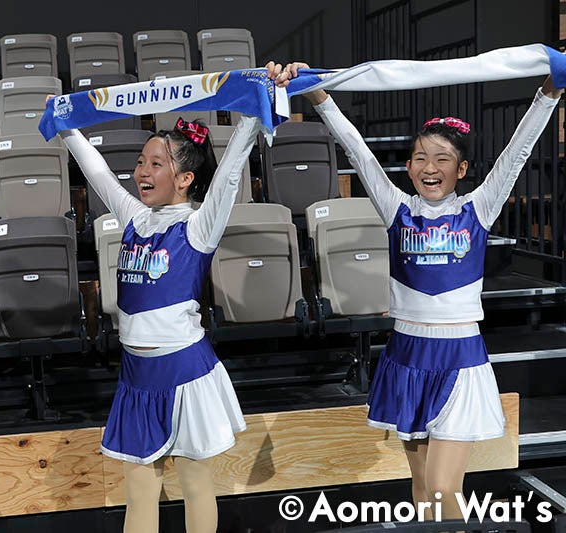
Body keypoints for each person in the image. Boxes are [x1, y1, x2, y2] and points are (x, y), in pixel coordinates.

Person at [271, 60, 563, 519]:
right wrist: (318, 96)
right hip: (406, 355)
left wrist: (550, 91)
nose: (431, 167)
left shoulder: (478, 208)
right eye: (421, 158)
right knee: (423, 487)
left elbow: (518, 151)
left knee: (447, 488)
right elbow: (357, 152)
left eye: (443, 158)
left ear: (461, 169)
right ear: (407, 166)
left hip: (458, 357)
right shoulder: (396, 208)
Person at [48, 76, 272, 530]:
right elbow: (97, 174)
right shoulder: (134, 217)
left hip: (184, 372)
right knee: (139, 493)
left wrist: (253, 113)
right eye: (140, 162)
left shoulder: (197, 226)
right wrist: (65, 124)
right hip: (136, 377)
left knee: (194, 484)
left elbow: (228, 174)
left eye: (156, 164)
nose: (142, 172)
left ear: (185, 179)